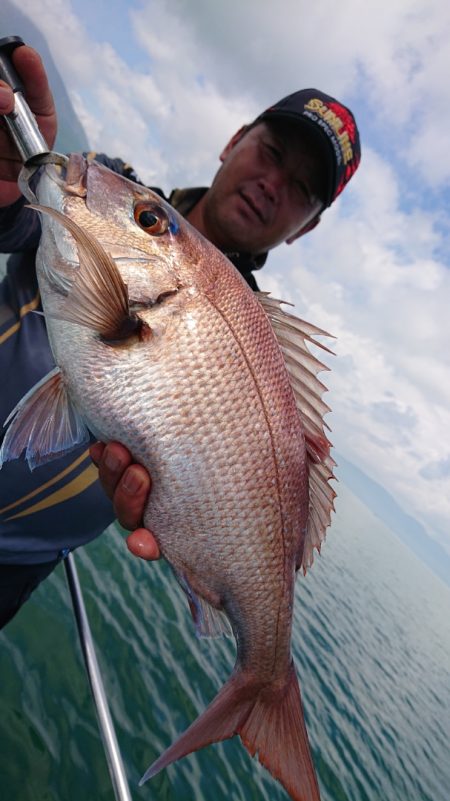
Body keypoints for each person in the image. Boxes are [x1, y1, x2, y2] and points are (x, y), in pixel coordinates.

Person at [0, 45, 361, 628]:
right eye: (270, 152)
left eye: (301, 188)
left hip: (12, 566)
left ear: (308, 227)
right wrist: (11, 180)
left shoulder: (262, 360)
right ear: (234, 140)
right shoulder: (108, 185)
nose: (273, 184)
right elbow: (14, 221)